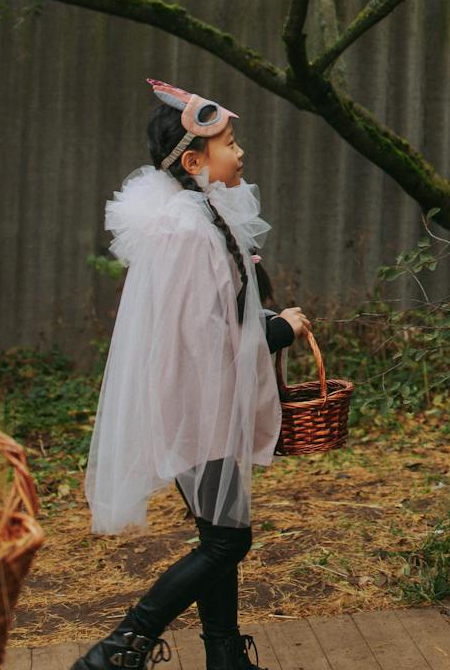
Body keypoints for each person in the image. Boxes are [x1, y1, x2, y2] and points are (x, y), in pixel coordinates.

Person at [75, 80, 309, 670]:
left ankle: (225, 659)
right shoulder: (187, 233)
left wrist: (262, 319)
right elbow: (202, 339)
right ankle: (119, 648)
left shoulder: (199, 218)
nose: (240, 153)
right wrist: (276, 330)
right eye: (230, 143)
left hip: (204, 405)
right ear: (193, 160)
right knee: (229, 540)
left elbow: (209, 313)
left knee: (218, 537)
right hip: (195, 407)